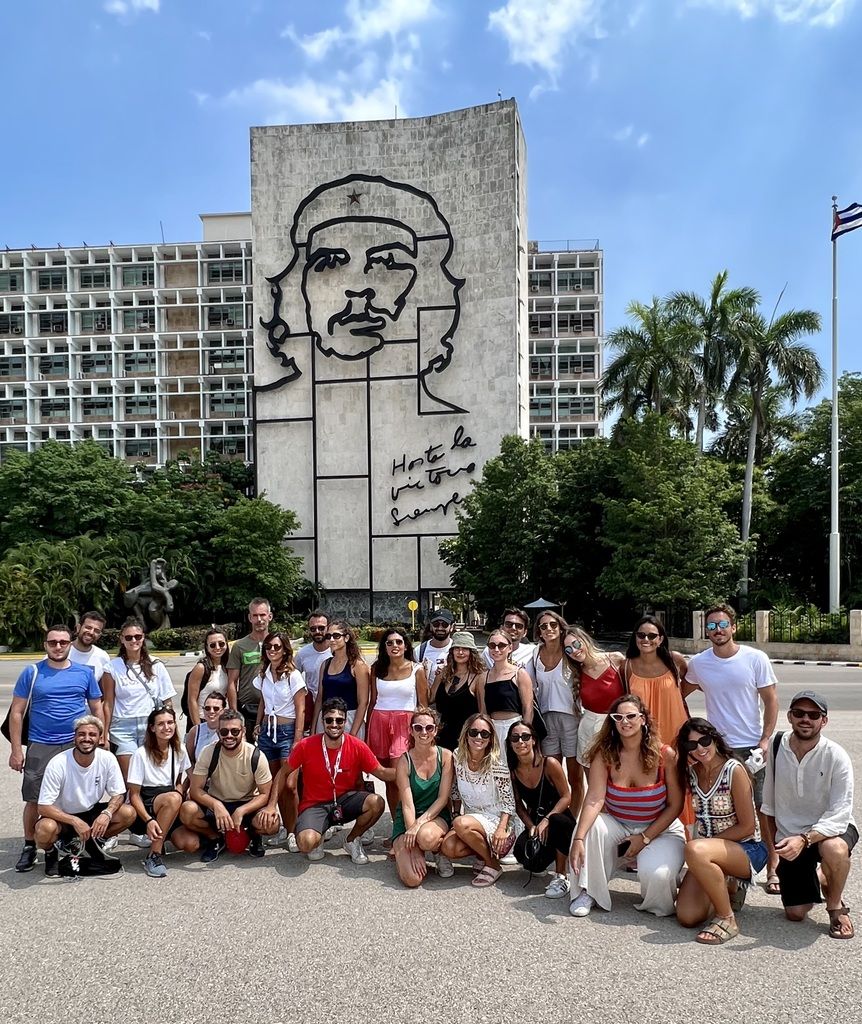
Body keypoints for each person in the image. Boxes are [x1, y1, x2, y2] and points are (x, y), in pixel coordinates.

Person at [683, 602, 780, 889]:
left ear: (734, 627)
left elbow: (771, 700)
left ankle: (773, 867)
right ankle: (727, 863)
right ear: (706, 631)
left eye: (723, 624)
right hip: (716, 749)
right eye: (711, 626)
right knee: (722, 807)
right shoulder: (700, 664)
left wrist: (764, 740)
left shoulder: (755, 658)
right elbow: (678, 692)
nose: (718, 630)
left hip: (751, 746)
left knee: (763, 808)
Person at [568, 694, 686, 918]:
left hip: (660, 829)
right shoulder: (604, 754)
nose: (625, 721)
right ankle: (587, 890)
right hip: (619, 824)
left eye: (631, 716)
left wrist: (645, 838)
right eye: (618, 717)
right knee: (589, 827)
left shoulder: (665, 755)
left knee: (658, 878)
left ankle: (666, 878)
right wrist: (579, 839)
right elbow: (594, 799)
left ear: (643, 719)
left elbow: (675, 805)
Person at [761, 690, 857, 940]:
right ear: (790, 717)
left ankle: (836, 907)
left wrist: (804, 840)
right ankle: (822, 875)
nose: (806, 719)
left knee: (834, 850)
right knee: (795, 913)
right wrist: (775, 859)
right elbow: (769, 805)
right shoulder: (776, 746)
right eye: (799, 713)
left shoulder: (836, 756)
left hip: (830, 831)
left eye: (813, 714)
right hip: (790, 836)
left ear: (823, 721)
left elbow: (840, 814)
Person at [9, 624, 104, 873]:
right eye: (53, 642)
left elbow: (96, 707)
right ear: (45, 645)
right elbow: (17, 712)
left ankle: (65, 838)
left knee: (72, 794)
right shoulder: (32, 672)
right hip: (41, 744)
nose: (58, 646)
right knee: (34, 798)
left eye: (63, 642)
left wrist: (101, 736)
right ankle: (30, 845)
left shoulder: (84, 673)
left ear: (70, 644)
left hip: (75, 743)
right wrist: (17, 750)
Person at [674, 718, 767, 945]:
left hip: (747, 849)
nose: (700, 748)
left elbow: (746, 826)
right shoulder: (692, 772)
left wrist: (706, 846)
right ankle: (727, 886)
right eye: (691, 745)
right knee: (687, 916)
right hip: (707, 852)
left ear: (714, 738)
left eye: (704, 740)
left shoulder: (734, 770)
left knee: (694, 849)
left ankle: (727, 918)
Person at [284, 697, 395, 864]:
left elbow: (382, 772)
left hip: (343, 802)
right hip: (315, 805)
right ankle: (318, 836)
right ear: (323, 721)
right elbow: (282, 774)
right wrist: (271, 805)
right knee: (306, 844)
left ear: (345, 721)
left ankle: (351, 840)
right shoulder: (306, 745)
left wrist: (409, 770)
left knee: (376, 802)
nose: (334, 724)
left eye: (339, 720)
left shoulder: (357, 745)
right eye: (329, 720)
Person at [35, 715, 136, 877]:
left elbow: (118, 794)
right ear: (74, 737)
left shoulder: (108, 758)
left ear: (100, 738)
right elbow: (43, 806)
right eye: (81, 734)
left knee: (128, 813)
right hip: (62, 816)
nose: (86, 739)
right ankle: (51, 852)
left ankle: (92, 841)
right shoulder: (58, 763)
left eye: (92, 735)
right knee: (44, 830)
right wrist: (74, 821)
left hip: (90, 811)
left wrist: (107, 813)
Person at [180, 708, 278, 862]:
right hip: (218, 803)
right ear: (218, 732)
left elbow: (266, 793)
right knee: (187, 811)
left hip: (247, 804)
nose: (229, 736)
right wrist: (216, 805)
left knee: (272, 823)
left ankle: (254, 836)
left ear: (243, 731)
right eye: (224, 731)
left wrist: (241, 810)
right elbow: (195, 789)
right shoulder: (209, 752)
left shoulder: (255, 755)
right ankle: (216, 838)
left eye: (234, 731)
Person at [440, 713, 517, 888]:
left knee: (461, 823)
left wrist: (501, 829)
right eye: (474, 732)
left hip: (497, 819)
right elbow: (455, 790)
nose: (479, 737)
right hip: (471, 818)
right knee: (449, 847)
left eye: (485, 734)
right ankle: (483, 854)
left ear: (491, 738)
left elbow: (508, 801)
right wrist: (454, 813)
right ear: (466, 734)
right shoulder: (458, 756)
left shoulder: (497, 762)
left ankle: (492, 864)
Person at [506, 721, 576, 899]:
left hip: (560, 819)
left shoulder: (549, 763)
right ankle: (548, 857)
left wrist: (547, 819)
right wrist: (530, 826)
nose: (520, 741)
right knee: (524, 855)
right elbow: (519, 805)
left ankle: (561, 876)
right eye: (515, 737)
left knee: (556, 822)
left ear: (534, 740)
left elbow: (566, 796)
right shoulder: (513, 771)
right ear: (510, 742)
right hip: (535, 820)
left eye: (525, 736)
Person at [102, 618, 176, 783]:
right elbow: (108, 703)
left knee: (151, 775)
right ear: (121, 639)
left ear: (143, 637)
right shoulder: (112, 667)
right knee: (130, 778)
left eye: (137, 636)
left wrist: (168, 725)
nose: (133, 640)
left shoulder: (156, 665)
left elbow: (167, 701)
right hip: (122, 727)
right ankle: (131, 808)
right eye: (128, 637)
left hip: (150, 725)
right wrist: (104, 734)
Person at [127, 707, 199, 877]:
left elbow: (190, 777)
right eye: (160, 724)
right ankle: (154, 855)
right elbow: (134, 795)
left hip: (169, 801)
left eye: (170, 722)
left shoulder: (179, 750)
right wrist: (149, 820)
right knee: (174, 798)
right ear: (152, 728)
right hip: (146, 805)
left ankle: (163, 836)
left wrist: (184, 790)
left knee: (192, 844)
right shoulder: (140, 754)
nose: (166, 727)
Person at [367, 628, 428, 818]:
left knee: (400, 777)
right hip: (379, 722)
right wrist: (368, 728)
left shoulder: (417, 670)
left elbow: (423, 705)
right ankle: (396, 826)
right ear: (384, 647)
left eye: (399, 642)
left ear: (406, 645)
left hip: (405, 724)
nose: (395, 646)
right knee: (386, 778)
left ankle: (408, 822)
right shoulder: (377, 668)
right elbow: (373, 700)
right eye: (390, 642)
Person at [252, 630, 305, 847]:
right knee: (274, 783)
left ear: (285, 649)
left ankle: (294, 830)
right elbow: (264, 702)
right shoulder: (263, 673)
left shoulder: (292, 675)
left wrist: (297, 739)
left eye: (277, 646)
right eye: (268, 647)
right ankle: (284, 826)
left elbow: (301, 708)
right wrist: (257, 723)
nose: (272, 650)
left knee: (290, 784)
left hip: (287, 733)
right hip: (267, 733)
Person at [391, 707, 455, 886]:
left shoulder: (446, 756)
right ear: (411, 731)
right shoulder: (404, 761)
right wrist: (414, 847)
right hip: (406, 819)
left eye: (429, 728)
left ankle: (438, 852)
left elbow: (443, 799)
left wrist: (418, 828)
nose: (424, 732)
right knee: (412, 880)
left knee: (426, 838)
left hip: (435, 815)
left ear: (436, 730)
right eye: (418, 728)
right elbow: (407, 805)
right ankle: (406, 851)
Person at [529, 611, 583, 812]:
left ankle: (574, 820)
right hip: (546, 720)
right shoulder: (535, 654)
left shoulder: (569, 651)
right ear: (538, 632)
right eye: (543, 626)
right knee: (552, 774)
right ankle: (554, 817)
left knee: (575, 776)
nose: (549, 629)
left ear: (561, 627)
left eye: (553, 624)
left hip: (572, 719)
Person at [623, 616, 690, 747]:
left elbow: (692, 680)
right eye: (641, 635)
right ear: (635, 638)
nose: (646, 639)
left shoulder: (675, 660)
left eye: (652, 636)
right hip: (644, 734)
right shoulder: (627, 667)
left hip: (676, 730)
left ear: (660, 639)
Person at [564, 626, 625, 767]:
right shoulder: (575, 674)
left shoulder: (615, 659)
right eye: (568, 649)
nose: (574, 651)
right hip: (589, 729)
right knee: (593, 782)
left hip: (618, 726)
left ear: (585, 640)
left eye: (576, 644)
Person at [310, 620, 370, 737]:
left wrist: (353, 734)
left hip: (350, 720)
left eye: (336, 636)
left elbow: (363, 702)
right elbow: (319, 698)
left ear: (346, 638)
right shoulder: (325, 664)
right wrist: (313, 728)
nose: (332, 639)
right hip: (326, 721)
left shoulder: (357, 665)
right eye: (328, 636)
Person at [476, 629, 534, 749]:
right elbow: (483, 710)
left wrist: (524, 734)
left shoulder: (520, 674)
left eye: (501, 645)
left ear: (510, 648)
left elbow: (528, 709)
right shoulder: (483, 677)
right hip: (493, 728)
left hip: (515, 727)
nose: (496, 650)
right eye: (492, 646)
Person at [227, 597, 274, 740]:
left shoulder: (277, 644)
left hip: (271, 710)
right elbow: (232, 682)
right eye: (255, 615)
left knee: (269, 758)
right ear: (249, 617)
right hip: (246, 710)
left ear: (270, 616)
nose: (259, 619)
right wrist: (235, 714)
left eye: (262, 615)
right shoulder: (240, 646)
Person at [430, 631, 481, 750]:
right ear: (451, 651)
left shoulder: (478, 677)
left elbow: (482, 711)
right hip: (442, 737)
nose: (460, 652)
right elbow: (430, 698)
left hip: (467, 738)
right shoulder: (442, 674)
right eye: (457, 648)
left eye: (465, 649)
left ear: (471, 652)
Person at [293, 610, 332, 730]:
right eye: (313, 628)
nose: (317, 632)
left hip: (335, 708)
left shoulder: (337, 650)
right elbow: (292, 680)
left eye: (321, 628)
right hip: (312, 708)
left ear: (329, 628)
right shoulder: (302, 654)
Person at [184, 628, 230, 728]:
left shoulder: (227, 666)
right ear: (207, 647)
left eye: (221, 644)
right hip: (202, 720)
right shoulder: (201, 668)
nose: (217, 647)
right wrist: (198, 728)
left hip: (220, 722)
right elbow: (192, 700)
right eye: (212, 645)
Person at [416, 610, 456, 690]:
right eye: (436, 624)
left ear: (452, 627)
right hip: (428, 700)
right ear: (431, 626)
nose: (440, 628)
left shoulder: (457, 649)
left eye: (444, 625)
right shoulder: (419, 651)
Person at [186, 691, 228, 767]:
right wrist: (194, 777)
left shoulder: (230, 731)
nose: (211, 711)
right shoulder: (195, 731)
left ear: (223, 711)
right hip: (199, 775)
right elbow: (187, 760)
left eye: (216, 708)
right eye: (207, 708)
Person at [68, 611, 111, 682]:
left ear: (99, 635)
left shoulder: (103, 657)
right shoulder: (61, 651)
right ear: (78, 628)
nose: (91, 632)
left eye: (96, 631)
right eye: (88, 627)